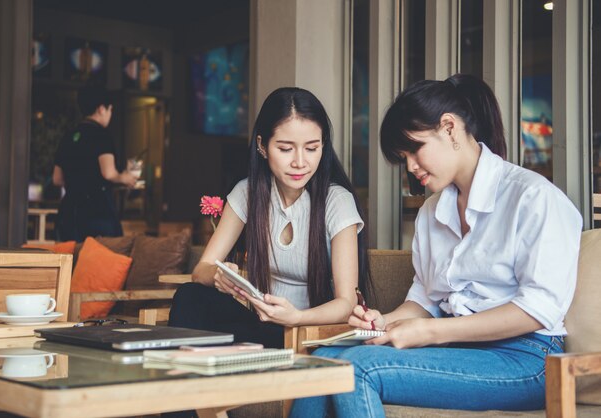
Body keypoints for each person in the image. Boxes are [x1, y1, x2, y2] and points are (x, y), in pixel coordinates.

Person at [290, 74, 582, 417]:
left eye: (415, 149)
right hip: (463, 349)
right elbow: (424, 299)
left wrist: (429, 331)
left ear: (449, 127)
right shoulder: (432, 211)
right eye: (404, 157)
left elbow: (538, 309)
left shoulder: (533, 197)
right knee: (321, 362)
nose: (411, 167)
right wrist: (382, 322)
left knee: (356, 369)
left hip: (528, 359)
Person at [168, 87, 370, 348]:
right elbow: (201, 269)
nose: (300, 162)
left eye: (311, 148)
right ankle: (180, 378)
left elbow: (346, 303)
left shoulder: (336, 201)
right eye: (286, 149)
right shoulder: (248, 192)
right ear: (262, 146)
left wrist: (296, 318)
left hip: (311, 331)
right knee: (190, 295)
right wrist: (218, 275)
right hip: (262, 325)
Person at [52, 85, 137, 242]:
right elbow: (108, 173)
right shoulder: (101, 134)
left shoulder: (69, 136)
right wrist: (124, 177)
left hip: (69, 211)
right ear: (101, 109)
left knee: (72, 260)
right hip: (97, 212)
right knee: (104, 258)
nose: (110, 114)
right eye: (110, 109)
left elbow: (57, 179)